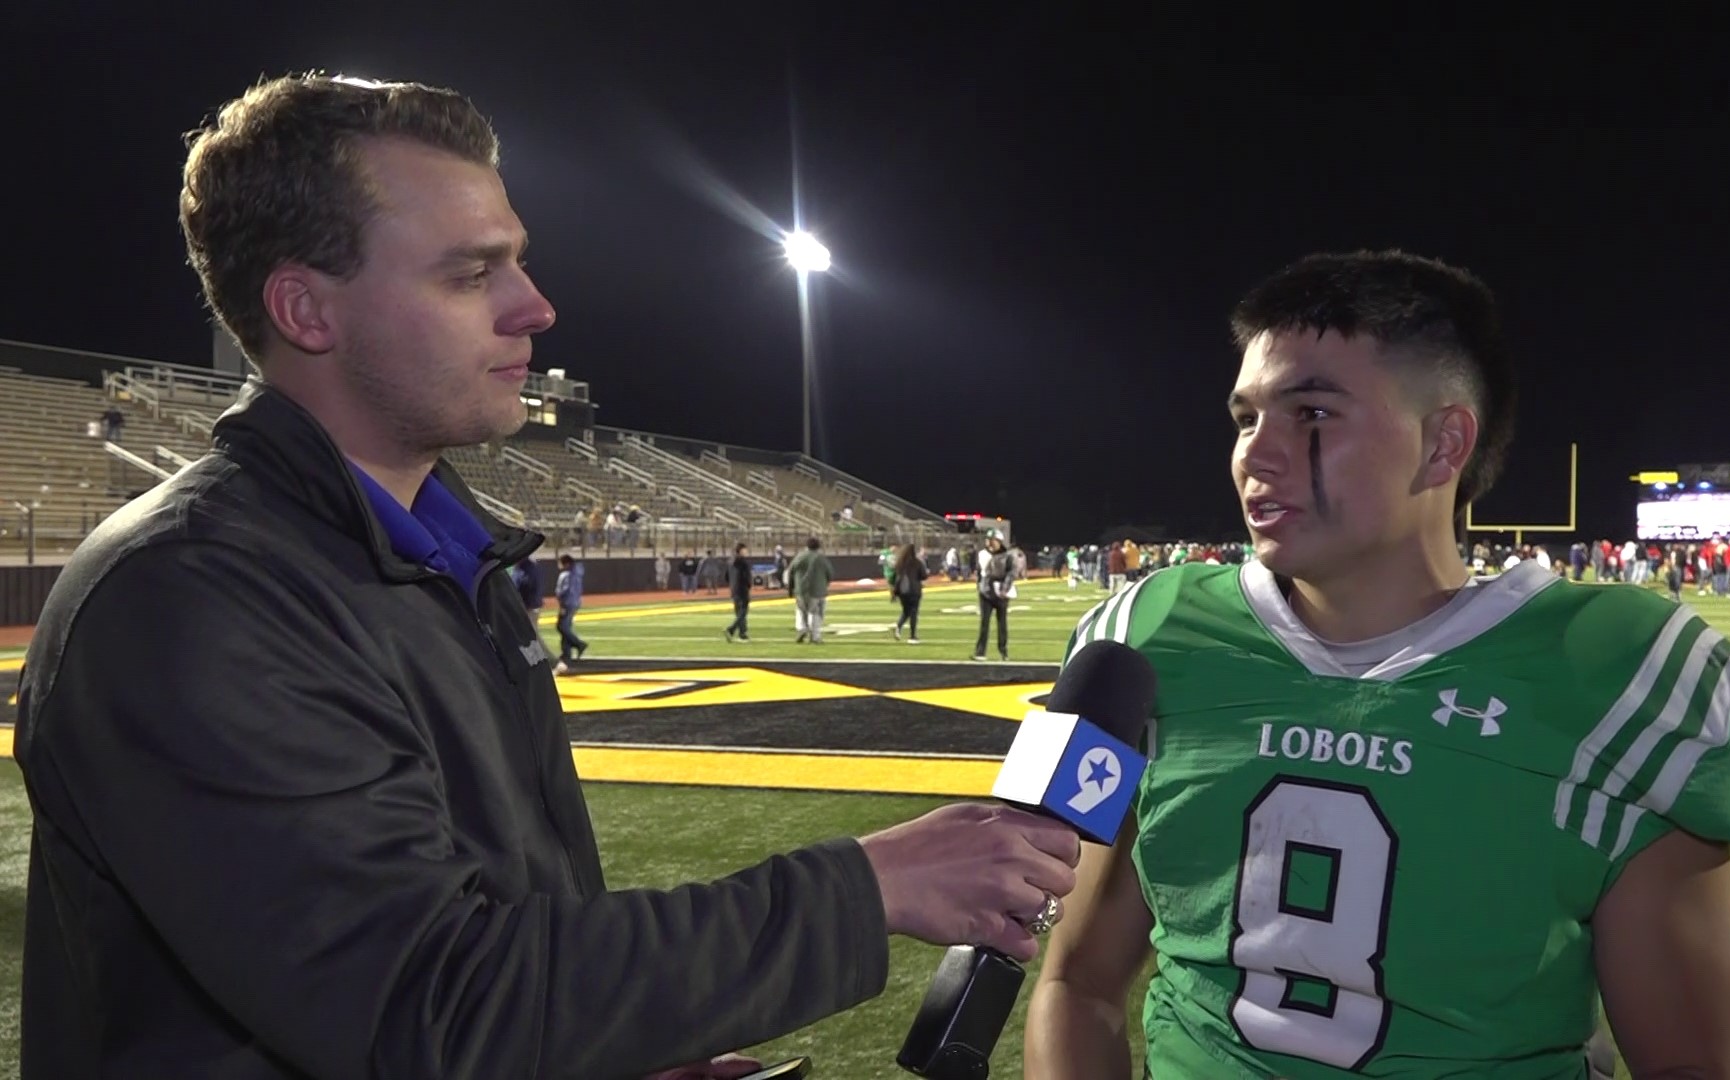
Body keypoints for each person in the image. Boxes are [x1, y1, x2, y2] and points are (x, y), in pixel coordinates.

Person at [13, 73, 1083, 1080]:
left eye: (515, 261)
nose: (535, 307)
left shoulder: (436, 554)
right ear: (306, 312)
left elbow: (492, 942)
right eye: (471, 272)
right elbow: (426, 1006)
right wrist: (869, 889)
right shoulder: (191, 595)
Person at [1026, 250, 1730, 1079]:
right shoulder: (1146, 634)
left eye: (1311, 413)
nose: (1256, 454)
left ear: (1442, 444)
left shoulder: (1613, 676)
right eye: (1245, 418)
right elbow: (1076, 978)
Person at [973, 532, 1015, 661]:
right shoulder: (982, 554)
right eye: (988, 540)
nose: (990, 543)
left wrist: (1004, 589)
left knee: (1001, 624)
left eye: (993, 540)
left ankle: (1003, 651)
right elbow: (979, 573)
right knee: (984, 623)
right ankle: (980, 652)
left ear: (999, 541)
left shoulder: (1007, 556)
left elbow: (1010, 574)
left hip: (1000, 592)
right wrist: (980, 587)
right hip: (986, 592)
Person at [788, 535, 832, 644]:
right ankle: (815, 636)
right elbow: (830, 573)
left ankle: (802, 629)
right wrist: (825, 584)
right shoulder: (821, 558)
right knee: (816, 612)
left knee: (801, 611)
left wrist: (791, 589)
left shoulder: (799, 557)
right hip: (818, 591)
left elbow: (790, 572)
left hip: (801, 590)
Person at [555, 551, 588, 671]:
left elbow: (564, 591)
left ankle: (579, 644)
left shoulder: (566, 575)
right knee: (566, 627)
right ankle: (566, 653)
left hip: (567, 603)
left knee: (561, 627)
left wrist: (562, 604)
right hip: (575, 602)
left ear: (566, 564)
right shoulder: (577, 573)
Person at [892, 542, 927, 643]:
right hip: (915, 591)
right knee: (913, 612)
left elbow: (895, 578)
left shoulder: (900, 563)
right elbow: (924, 576)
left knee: (906, 611)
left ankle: (898, 627)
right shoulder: (917, 562)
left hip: (902, 591)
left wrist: (895, 592)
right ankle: (912, 636)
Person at [724, 541, 753, 642]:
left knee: (739, 612)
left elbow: (726, 576)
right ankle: (731, 629)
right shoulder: (743, 562)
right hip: (742, 589)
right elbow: (746, 577)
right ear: (740, 550)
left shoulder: (730, 561)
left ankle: (742, 633)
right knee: (743, 612)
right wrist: (749, 585)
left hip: (734, 589)